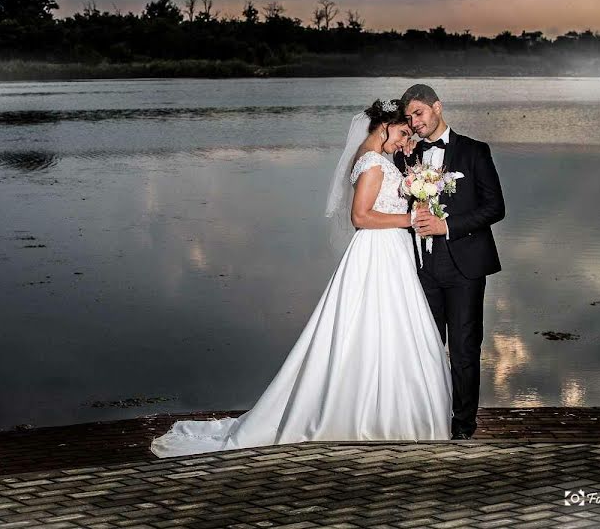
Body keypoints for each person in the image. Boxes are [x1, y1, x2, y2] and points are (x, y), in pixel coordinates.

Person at [149, 99, 452, 458]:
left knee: (391, 326)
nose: (405, 141)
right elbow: (361, 217)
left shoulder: (379, 159)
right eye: (401, 133)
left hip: (390, 251)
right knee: (374, 324)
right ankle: (373, 413)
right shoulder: (372, 164)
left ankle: (390, 409)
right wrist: (409, 220)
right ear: (382, 126)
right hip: (378, 250)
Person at [394, 84, 505, 440]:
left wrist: (447, 225)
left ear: (437, 108)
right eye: (409, 117)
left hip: (464, 268)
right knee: (422, 348)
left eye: (419, 113)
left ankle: (462, 428)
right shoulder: (405, 156)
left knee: (464, 350)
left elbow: (495, 208)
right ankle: (428, 419)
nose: (414, 122)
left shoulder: (474, 151)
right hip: (420, 269)